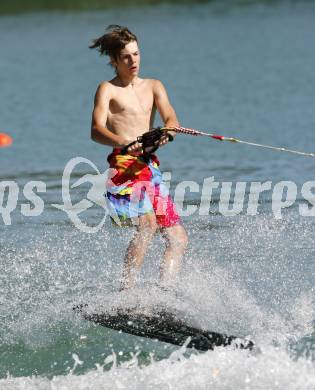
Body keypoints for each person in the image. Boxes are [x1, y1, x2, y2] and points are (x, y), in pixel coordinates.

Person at [90, 25, 188, 290]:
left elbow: (171, 117)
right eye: (126, 57)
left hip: (149, 167)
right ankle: (126, 293)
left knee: (178, 239)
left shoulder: (154, 86)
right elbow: (96, 131)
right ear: (114, 61)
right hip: (124, 167)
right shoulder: (107, 89)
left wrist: (167, 132)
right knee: (147, 225)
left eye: (136, 54)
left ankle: (164, 295)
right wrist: (122, 141)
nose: (133, 61)